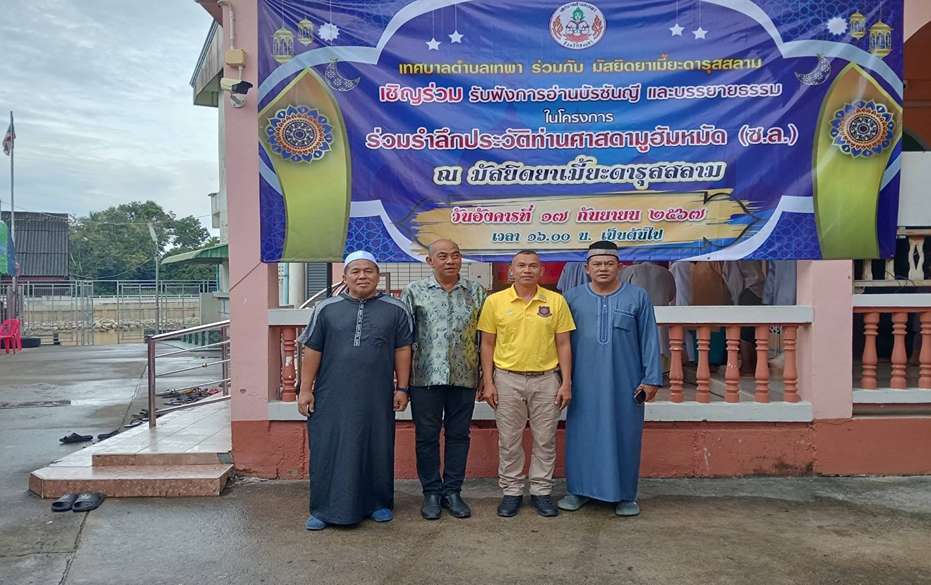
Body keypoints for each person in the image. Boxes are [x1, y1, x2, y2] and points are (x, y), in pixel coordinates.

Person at [297, 250, 413, 531]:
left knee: (377, 446)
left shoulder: (396, 309)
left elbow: (403, 350)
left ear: (378, 276)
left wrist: (403, 388)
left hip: (377, 394)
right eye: (356, 271)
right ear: (345, 276)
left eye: (368, 271)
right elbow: (312, 350)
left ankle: (378, 504)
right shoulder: (326, 308)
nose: (362, 276)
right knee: (328, 447)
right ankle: (323, 509)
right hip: (331, 393)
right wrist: (305, 389)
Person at [558, 241, 662, 517]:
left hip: (625, 382)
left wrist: (651, 378)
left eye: (609, 263)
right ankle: (578, 490)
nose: (603, 268)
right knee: (581, 435)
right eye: (597, 264)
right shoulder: (571, 298)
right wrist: (562, 379)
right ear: (587, 268)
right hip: (583, 382)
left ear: (620, 266)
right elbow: (560, 342)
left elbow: (650, 338)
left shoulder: (637, 297)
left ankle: (626, 495)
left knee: (625, 435)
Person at [477, 250, 575, 518]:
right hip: (507, 379)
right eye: (521, 266)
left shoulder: (555, 301)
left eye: (533, 266)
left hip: (546, 379)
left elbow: (564, 344)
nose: (527, 270)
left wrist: (566, 382)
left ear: (541, 271)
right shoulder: (495, 302)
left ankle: (541, 491)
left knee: (545, 439)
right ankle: (512, 491)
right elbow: (487, 344)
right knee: (509, 440)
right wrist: (488, 381)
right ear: (511, 271)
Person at [401, 239, 487, 521]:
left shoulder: (476, 292)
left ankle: (452, 491)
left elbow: (485, 338)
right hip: (425, 376)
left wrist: (485, 376)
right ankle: (431, 492)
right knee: (426, 437)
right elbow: (404, 339)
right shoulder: (414, 292)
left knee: (459, 435)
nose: (450, 261)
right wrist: (401, 383)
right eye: (443, 256)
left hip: (464, 376)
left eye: (455, 255)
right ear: (430, 261)